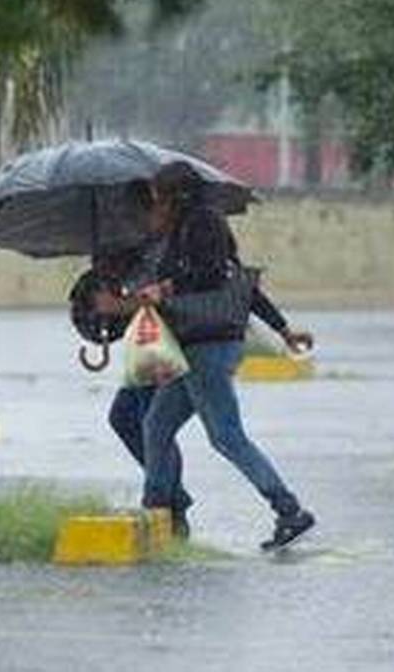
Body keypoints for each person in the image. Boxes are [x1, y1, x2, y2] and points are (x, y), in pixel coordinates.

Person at [102, 164, 317, 550]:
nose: (155, 205)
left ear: (176, 197)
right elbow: (243, 286)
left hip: (209, 346)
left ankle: (288, 510)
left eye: (159, 197)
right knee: (155, 425)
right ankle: (157, 511)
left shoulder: (202, 225)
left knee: (226, 437)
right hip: (195, 347)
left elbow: (215, 275)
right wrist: (284, 330)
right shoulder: (186, 231)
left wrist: (164, 288)